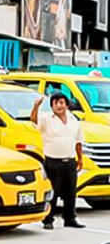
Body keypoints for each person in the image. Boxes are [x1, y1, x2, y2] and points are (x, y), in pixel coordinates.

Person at [31, 92, 84, 230]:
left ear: (67, 105)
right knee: (53, 192)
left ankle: (70, 218)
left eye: (61, 102)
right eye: (55, 103)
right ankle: (48, 219)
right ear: (52, 106)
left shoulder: (74, 120)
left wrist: (80, 158)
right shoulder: (46, 119)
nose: (59, 106)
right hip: (53, 162)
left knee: (71, 192)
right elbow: (34, 121)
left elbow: (78, 141)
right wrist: (36, 106)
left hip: (70, 161)